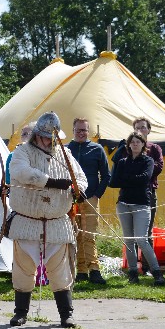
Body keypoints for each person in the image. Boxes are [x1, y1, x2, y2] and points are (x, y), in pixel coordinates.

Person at [7, 112, 86, 327]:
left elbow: (80, 178)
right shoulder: (22, 152)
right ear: (35, 136)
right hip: (27, 220)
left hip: (57, 221)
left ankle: (66, 313)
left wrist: (80, 190)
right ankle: (21, 312)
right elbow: (22, 172)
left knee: (60, 269)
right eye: (44, 137)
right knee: (23, 269)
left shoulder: (65, 154)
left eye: (52, 137)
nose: (49, 141)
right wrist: (51, 182)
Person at [111, 132, 165, 285]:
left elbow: (144, 179)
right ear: (128, 145)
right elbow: (114, 181)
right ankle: (133, 273)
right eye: (132, 142)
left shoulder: (148, 161)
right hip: (123, 204)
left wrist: (126, 178)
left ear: (143, 144)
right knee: (128, 240)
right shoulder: (122, 162)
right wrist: (130, 177)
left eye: (138, 142)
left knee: (141, 239)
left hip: (141, 204)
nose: (135, 144)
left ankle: (156, 272)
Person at [66, 118, 110, 285]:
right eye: (78, 130)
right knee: (76, 235)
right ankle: (81, 270)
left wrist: (97, 194)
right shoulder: (66, 150)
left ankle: (94, 270)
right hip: (71, 199)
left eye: (84, 130)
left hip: (91, 198)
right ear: (73, 130)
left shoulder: (97, 149)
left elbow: (106, 175)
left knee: (89, 235)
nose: (81, 133)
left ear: (88, 131)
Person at [114, 118, 164, 255]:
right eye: (137, 128)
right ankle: (133, 266)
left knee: (146, 232)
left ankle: (148, 266)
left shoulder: (154, 148)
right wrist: (137, 175)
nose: (140, 130)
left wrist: (142, 173)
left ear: (148, 130)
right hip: (128, 194)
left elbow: (158, 167)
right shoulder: (128, 149)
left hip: (148, 192)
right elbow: (119, 171)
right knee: (130, 234)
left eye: (143, 127)